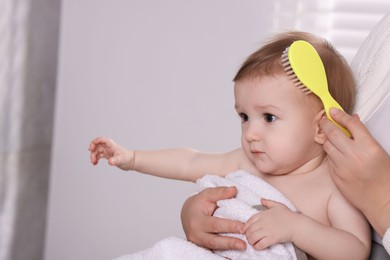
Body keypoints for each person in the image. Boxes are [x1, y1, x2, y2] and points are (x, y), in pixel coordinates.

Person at [89, 31, 371, 259]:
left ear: (320, 127)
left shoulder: (333, 184)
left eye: (269, 117)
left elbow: (355, 250)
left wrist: (296, 228)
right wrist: (134, 158)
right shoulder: (246, 163)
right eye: (244, 117)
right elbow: (190, 162)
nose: (250, 132)